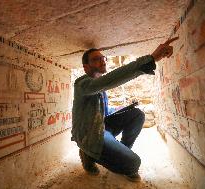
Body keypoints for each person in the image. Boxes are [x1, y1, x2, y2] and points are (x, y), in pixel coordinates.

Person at [71, 37, 178, 182]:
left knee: (137, 114)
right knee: (133, 164)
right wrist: (151, 59)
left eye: (103, 58)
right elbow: (110, 79)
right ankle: (88, 153)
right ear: (86, 67)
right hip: (90, 136)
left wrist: (122, 108)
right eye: (96, 59)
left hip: (102, 127)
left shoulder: (99, 87)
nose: (102, 61)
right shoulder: (82, 84)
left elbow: (102, 111)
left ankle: (120, 152)